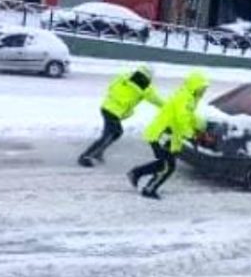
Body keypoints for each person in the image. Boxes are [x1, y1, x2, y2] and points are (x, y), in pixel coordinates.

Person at [128, 72, 209, 200]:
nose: (204, 91)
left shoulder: (188, 98)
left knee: (163, 163)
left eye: (205, 89)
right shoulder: (184, 98)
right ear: (195, 86)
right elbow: (182, 120)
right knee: (168, 166)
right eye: (202, 88)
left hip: (166, 135)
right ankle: (149, 190)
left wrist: (202, 125)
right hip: (161, 135)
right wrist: (193, 135)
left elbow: (189, 117)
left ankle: (135, 173)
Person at [78, 65, 161, 167]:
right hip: (114, 113)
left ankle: (98, 152)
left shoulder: (125, 76)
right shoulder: (146, 88)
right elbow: (157, 101)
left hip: (106, 107)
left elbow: (111, 86)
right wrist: (170, 107)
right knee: (109, 135)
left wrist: (114, 98)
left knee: (116, 132)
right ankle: (85, 156)